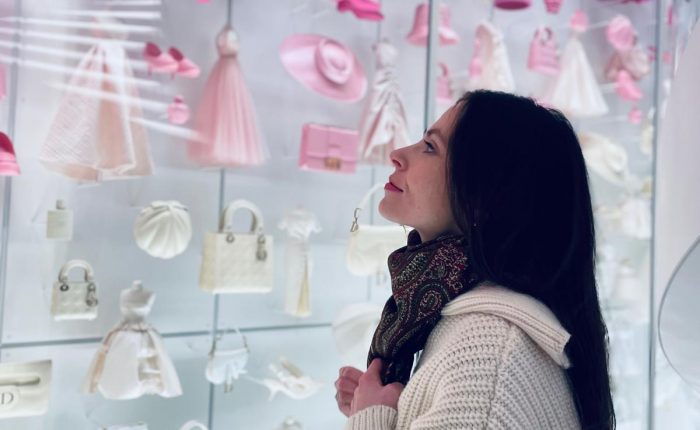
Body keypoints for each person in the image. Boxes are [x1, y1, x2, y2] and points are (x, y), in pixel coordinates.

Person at [334, 90, 616, 429]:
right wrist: (391, 410)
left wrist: (370, 418)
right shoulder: (473, 326)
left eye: (430, 147)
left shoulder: (486, 361)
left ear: (487, 197)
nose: (397, 155)